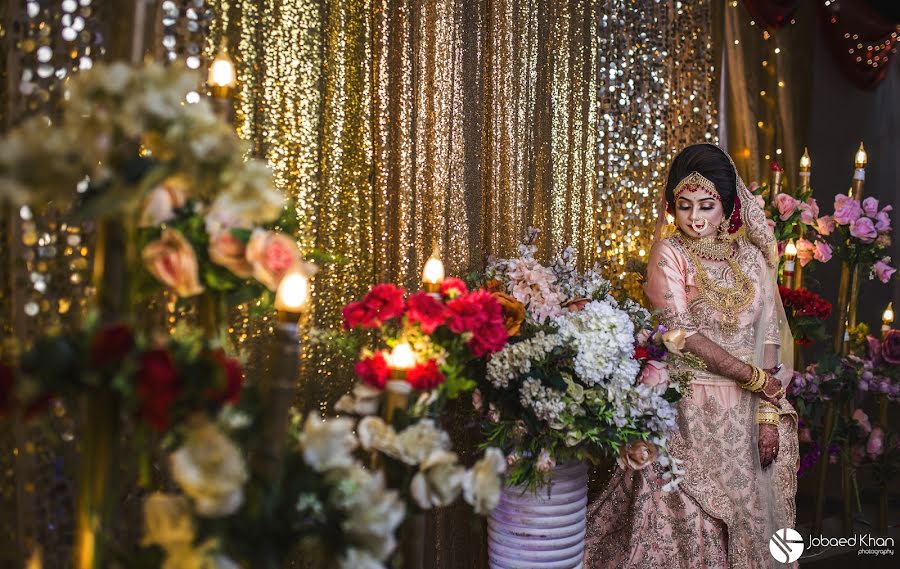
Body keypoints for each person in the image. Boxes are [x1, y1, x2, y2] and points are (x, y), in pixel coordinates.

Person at [584, 144, 799, 568]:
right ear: (672, 208)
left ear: (728, 206)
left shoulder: (753, 259)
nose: (695, 218)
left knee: (752, 522)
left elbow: (770, 335)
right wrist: (750, 375)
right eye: (684, 207)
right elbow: (679, 331)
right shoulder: (670, 254)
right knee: (689, 524)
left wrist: (768, 414)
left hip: (749, 412)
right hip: (689, 407)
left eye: (707, 205)